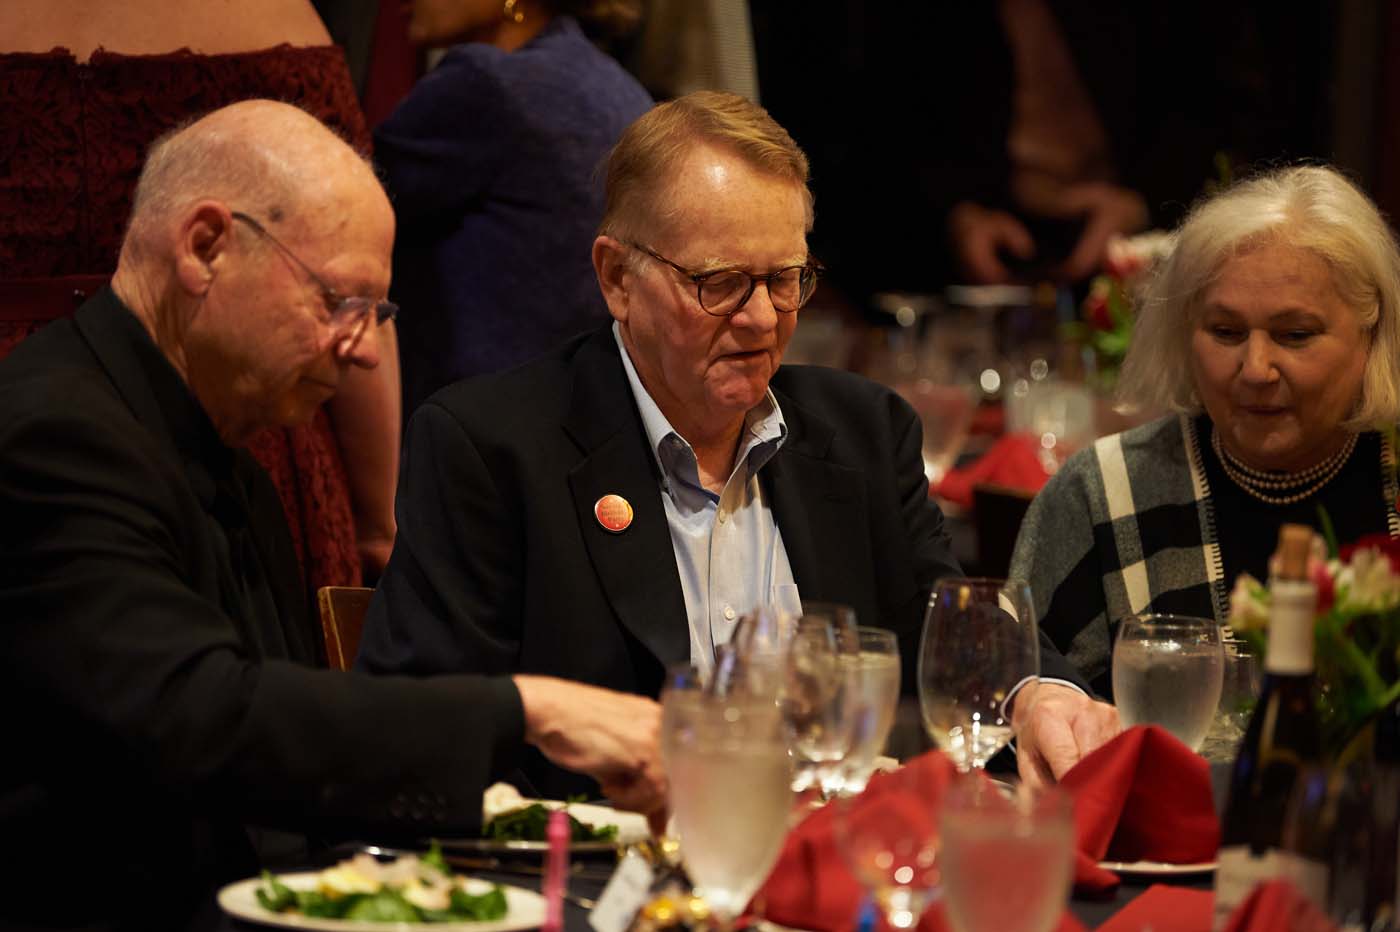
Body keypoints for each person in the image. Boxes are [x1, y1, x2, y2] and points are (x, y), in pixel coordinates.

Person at [0, 100, 665, 932]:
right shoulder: (53, 434)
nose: (366, 350)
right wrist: (534, 710)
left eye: (377, 314)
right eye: (341, 301)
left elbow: (288, 765)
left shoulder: (224, 451)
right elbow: (203, 719)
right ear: (206, 247)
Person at [358, 90, 1107, 797]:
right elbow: (420, 724)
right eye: (719, 283)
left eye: (784, 279)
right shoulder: (492, 448)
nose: (760, 319)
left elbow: (952, 632)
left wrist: (1038, 692)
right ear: (617, 277)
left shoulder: (863, 433)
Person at [1009, 164, 1400, 786]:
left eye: (1295, 335)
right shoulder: (1102, 495)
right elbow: (1017, 720)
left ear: (1371, 331)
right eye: (1224, 332)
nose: (1255, 368)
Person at [0, 0, 401, 588]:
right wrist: (376, 525)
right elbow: (342, 272)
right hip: (246, 423)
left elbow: (346, 286)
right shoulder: (272, 18)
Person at [375, 0, 652, 418]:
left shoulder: (487, 83)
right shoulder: (622, 88)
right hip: (585, 423)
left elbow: (339, 208)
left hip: (473, 435)